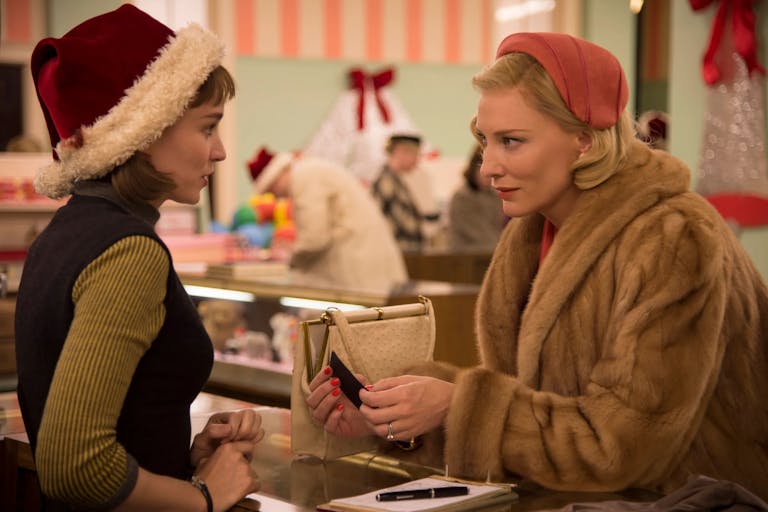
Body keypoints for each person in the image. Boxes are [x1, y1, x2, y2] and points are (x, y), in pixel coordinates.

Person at [304, 32, 768, 499]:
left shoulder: (674, 238)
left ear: (584, 140)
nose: (487, 167)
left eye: (512, 141)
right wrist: (395, 416)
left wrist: (456, 404)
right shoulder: (532, 231)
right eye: (485, 141)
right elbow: (531, 414)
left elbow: (621, 448)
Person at [15, 5, 264, 511]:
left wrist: (187, 455)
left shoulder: (66, 232)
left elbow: (112, 426)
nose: (218, 152)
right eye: (207, 127)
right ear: (145, 134)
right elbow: (75, 466)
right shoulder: (129, 253)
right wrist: (204, 496)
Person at [247, 147, 408, 290]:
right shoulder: (312, 170)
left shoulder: (303, 177)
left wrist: (288, 258)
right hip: (368, 266)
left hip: (356, 270)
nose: (275, 196)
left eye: (271, 189)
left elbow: (315, 239)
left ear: (277, 175)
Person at [370, 133, 436, 251]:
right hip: (397, 252)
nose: (417, 161)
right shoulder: (386, 182)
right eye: (415, 154)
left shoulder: (395, 180)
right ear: (401, 152)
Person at [447, 143, 505, 251]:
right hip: (467, 258)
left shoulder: (495, 196)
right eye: (482, 167)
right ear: (473, 168)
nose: (488, 174)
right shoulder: (462, 198)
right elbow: (480, 236)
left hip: (489, 254)